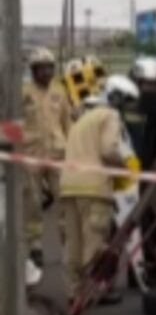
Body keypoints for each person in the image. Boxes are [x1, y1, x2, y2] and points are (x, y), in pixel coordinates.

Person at [58, 75, 139, 301]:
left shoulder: (82, 120)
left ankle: (73, 295)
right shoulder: (110, 115)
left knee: (72, 247)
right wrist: (126, 166)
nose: (128, 108)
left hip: (68, 187)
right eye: (128, 102)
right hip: (94, 188)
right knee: (93, 247)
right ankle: (93, 294)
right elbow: (108, 150)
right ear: (117, 98)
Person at [21, 48, 72, 261]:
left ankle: (68, 242)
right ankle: (35, 245)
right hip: (31, 154)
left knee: (65, 199)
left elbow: (67, 123)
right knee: (32, 201)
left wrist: (72, 150)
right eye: (42, 68)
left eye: (50, 68)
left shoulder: (60, 92)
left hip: (58, 154)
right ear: (33, 71)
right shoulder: (23, 93)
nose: (46, 72)